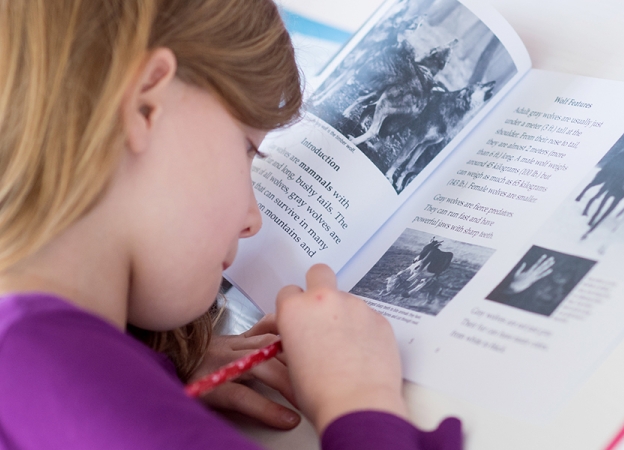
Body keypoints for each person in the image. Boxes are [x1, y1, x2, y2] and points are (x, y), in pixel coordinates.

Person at [0, 1, 461, 449]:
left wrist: (155, 374)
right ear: (145, 108)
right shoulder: (63, 381)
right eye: (248, 151)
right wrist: (359, 399)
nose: (251, 221)